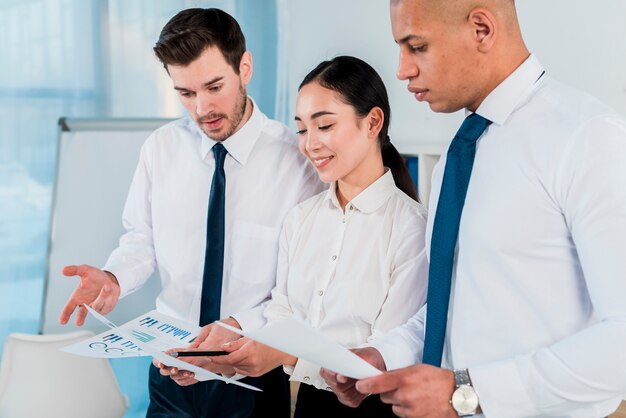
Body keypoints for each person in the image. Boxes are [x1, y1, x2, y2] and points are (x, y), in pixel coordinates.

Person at [322, 1, 626, 417]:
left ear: (481, 29)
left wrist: (468, 392)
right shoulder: (460, 152)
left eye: (417, 46)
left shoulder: (587, 138)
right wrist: (384, 355)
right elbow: (457, 301)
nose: (402, 70)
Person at [58, 8, 323, 418]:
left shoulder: (298, 163)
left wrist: (233, 328)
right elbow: (141, 239)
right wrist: (114, 277)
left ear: (245, 67)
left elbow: (299, 290)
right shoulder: (161, 148)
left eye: (214, 86)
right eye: (185, 93)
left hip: (248, 373)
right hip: (169, 369)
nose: (202, 108)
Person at [166, 56, 429, 418]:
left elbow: (383, 353)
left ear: (372, 122)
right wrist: (221, 363)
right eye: (303, 130)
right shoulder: (300, 219)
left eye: (324, 126)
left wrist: (283, 354)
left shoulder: (411, 227)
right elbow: (282, 317)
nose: (310, 144)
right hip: (306, 407)